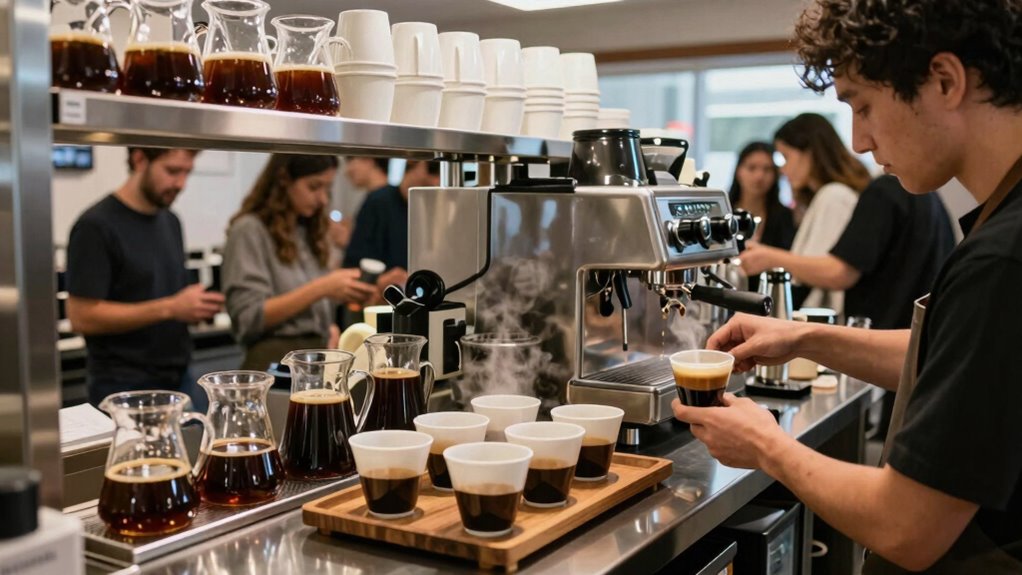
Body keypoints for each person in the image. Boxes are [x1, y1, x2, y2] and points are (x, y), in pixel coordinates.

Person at [674, 1, 1022, 572]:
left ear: (944, 80)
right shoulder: (1001, 223)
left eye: (862, 105)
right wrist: (803, 338)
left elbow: (906, 525)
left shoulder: (1003, 257)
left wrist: (767, 446)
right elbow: (960, 357)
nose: (858, 140)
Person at [66, 147, 222, 410]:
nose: (181, 183)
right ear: (139, 159)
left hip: (178, 378)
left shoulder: (171, 221)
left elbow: (165, 296)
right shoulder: (95, 226)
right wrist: (171, 307)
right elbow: (81, 316)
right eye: (172, 171)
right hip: (123, 386)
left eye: (187, 172)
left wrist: (195, 306)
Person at [222, 154, 376, 370]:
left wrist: (326, 326)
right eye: (314, 187)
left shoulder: (306, 231)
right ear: (284, 181)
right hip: (274, 365)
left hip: (317, 360)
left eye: (327, 189)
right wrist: (323, 287)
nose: (323, 199)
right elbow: (248, 318)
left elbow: (308, 305)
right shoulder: (249, 230)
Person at [753, 113, 872, 314]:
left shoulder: (834, 196)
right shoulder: (825, 197)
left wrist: (769, 257)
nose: (782, 170)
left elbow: (829, 272)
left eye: (786, 157)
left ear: (809, 153)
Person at [343, 159, 441, 294]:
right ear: (413, 162)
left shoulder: (436, 210)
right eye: (433, 170)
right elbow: (353, 264)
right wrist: (380, 280)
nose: (436, 181)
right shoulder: (379, 202)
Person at [728, 141, 796, 250]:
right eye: (751, 168)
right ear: (738, 171)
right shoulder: (722, 213)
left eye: (767, 169)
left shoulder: (786, 217)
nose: (759, 176)